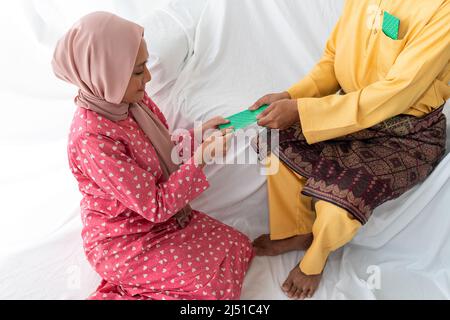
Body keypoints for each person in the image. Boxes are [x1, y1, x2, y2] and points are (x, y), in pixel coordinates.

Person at [251, 0, 449, 299]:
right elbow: (333, 58)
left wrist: (303, 111)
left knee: (339, 200)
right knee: (274, 139)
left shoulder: (443, 10)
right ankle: (298, 230)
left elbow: (396, 92)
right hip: (346, 111)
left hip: (407, 133)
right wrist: (292, 95)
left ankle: (314, 259)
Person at [52, 11, 254, 300]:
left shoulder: (128, 100)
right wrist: (202, 158)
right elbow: (156, 205)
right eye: (137, 71)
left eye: (144, 66)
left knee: (237, 245)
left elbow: (157, 148)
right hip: (124, 239)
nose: (147, 77)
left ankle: (143, 282)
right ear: (105, 73)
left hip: (161, 223)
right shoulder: (92, 138)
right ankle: (128, 284)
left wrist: (200, 135)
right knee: (213, 291)